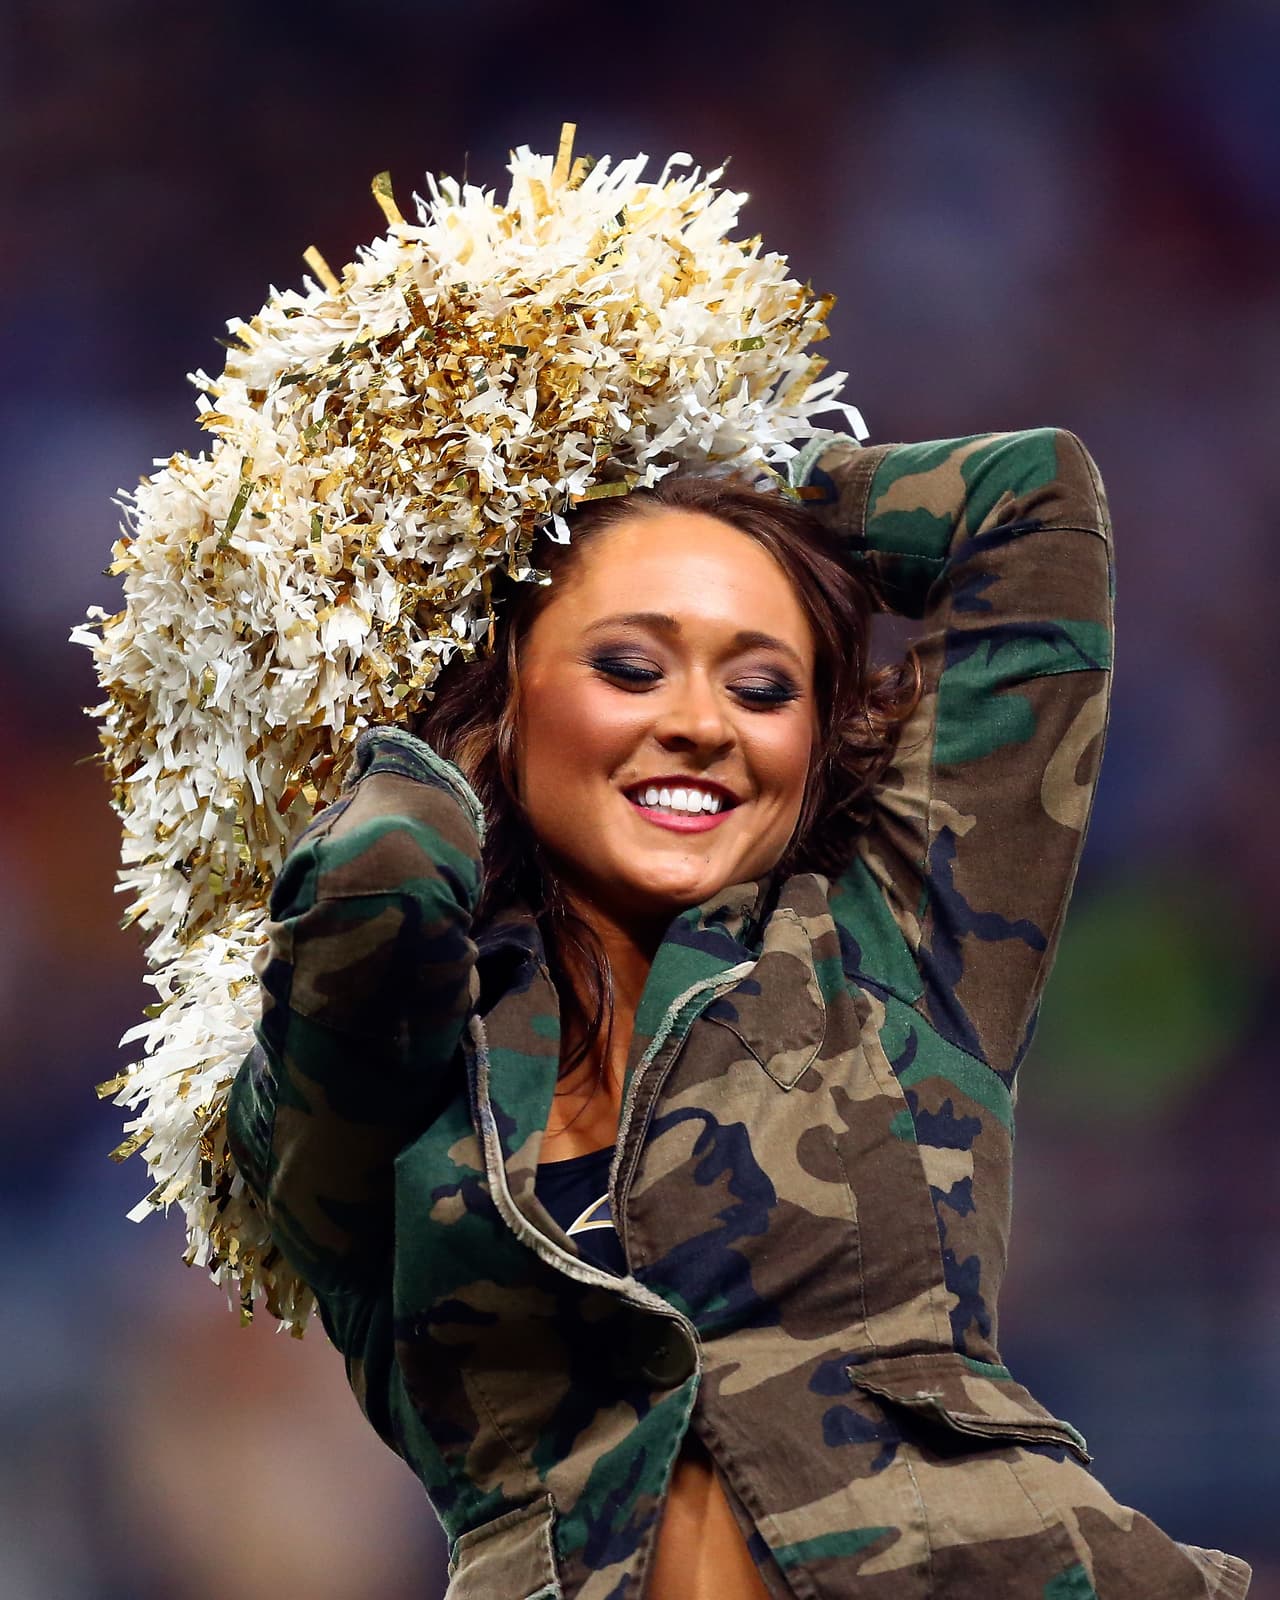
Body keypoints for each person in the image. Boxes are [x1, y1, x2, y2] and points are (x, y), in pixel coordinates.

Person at [226, 427, 1251, 1599]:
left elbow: (1028, 503)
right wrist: (453, 641)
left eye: (762, 687)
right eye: (629, 668)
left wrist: (676, 458)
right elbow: (375, 881)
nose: (704, 723)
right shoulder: (384, 1086)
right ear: (500, 699)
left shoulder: (886, 931)